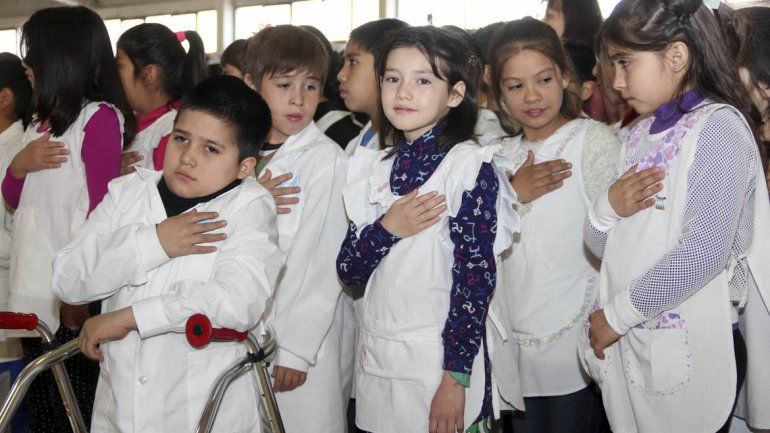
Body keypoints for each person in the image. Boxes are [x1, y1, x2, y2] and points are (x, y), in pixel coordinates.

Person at [51, 75, 283, 433]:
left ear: (244, 166)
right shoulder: (128, 192)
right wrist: (154, 243)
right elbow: (67, 279)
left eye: (211, 149)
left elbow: (237, 301)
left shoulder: (249, 206)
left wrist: (130, 317)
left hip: (207, 411)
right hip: (121, 410)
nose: (188, 158)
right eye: (181, 138)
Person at [581, 1, 770, 432]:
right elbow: (603, 247)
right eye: (612, 65)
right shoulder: (635, 134)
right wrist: (606, 209)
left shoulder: (719, 128)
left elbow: (702, 253)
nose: (616, 80)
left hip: (693, 342)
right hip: (642, 336)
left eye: (625, 62)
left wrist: (616, 316)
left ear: (677, 56)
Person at [336, 26, 518, 433]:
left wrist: (455, 380)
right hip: (381, 364)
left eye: (422, 80)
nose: (403, 93)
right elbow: (348, 270)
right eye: (393, 79)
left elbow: (474, 281)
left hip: (443, 369)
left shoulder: (470, 168)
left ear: (454, 94)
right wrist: (388, 228)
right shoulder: (373, 167)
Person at [1, 6, 134, 432]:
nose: (27, 68)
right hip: (33, 285)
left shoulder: (97, 120)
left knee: (71, 405)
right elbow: (14, 198)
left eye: (32, 56)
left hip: (71, 293)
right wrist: (18, 167)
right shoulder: (39, 122)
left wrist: (82, 288)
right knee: (42, 403)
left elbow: (101, 213)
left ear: (61, 60)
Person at [488, 17, 619, 433]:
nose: (531, 96)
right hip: (512, 343)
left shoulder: (593, 142)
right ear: (498, 93)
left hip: (578, 342)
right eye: (515, 86)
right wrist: (510, 195)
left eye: (543, 79)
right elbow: (474, 245)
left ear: (565, 76)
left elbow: (620, 238)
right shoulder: (495, 157)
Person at [242, 25, 352, 433]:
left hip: (300, 343)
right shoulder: (240, 152)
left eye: (310, 86)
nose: (298, 99)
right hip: (245, 327)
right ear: (252, 84)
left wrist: (296, 350)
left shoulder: (326, 160)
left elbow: (323, 262)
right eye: (284, 84)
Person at [117, 24, 207, 173]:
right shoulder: (129, 119)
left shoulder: (171, 132)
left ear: (149, 75)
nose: (113, 74)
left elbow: (168, 192)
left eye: (119, 65)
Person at [337, 19, 409, 156]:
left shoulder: (406, 150)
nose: (341, 75)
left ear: (387, 66)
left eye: (353, 62)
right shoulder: (358, 141)